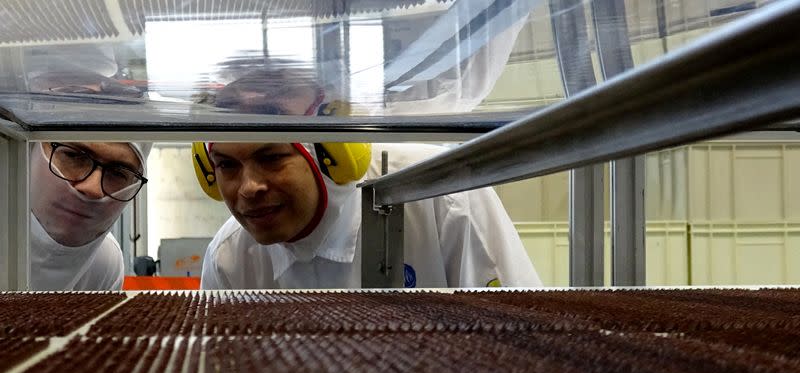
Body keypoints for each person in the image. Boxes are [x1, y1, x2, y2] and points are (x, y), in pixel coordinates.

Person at [197, 63, 541, 289]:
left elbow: (526, 344)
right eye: (227, 165)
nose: (248, 187)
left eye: (271, 157)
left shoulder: (441, 194)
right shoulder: (230, 259)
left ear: (332, 154)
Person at [29, 141, 151, 290]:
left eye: (117, 173)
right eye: (73, 155)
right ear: (30, 149)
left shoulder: (105, 263)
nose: (93, 188)